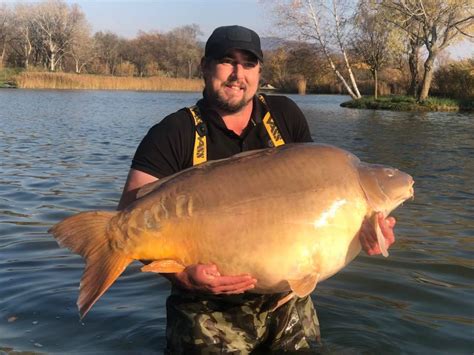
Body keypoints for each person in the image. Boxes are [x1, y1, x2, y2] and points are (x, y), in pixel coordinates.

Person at [117, 25, 396, 353]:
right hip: (204, 308)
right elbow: (126, 220)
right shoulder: (172, 132)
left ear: (259, 71)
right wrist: (181, 277)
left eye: (248, 64)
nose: (238, 74)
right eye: (226, 61)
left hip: (286, 300)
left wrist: (363, 233)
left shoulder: (285, 116)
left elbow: (317, 201)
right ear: (205, 66)